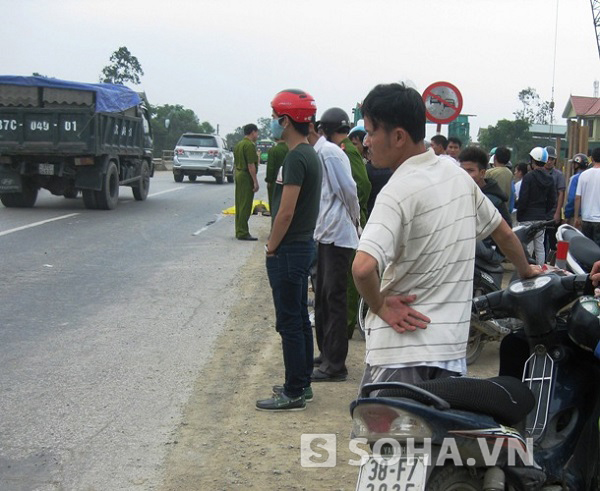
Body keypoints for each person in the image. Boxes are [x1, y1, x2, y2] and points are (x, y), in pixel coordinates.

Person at [352, 83, 540, 387]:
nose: (367, 142)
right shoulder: (457, 175)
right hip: (451, 356)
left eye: (371, 132)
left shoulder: (396, 192)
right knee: (441, 435)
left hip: (398, 357)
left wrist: (380, 306)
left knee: (388, 437)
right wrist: (526, 269)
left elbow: (362, 269)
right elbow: (504, 233)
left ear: (398, 136)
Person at [256, 89, 322, 412]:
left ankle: (293, 390)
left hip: (290, 248)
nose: (271, 123)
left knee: (289, 322)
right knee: (299, 317)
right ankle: (303, 383)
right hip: (303, 245)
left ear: (285, 121)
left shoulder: (296, 157)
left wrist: (271, 246)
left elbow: (286, 211)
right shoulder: (310, 153)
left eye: (273, 118)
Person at [307, 118, 360, 382]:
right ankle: (326, 354)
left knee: (334, 299)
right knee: (323, 299)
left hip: (338, 234)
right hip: (326, 232)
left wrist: (355, 219)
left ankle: (335, 364)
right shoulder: (320, 152)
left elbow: (349, 190)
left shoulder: (330, 153)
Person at [319, 107, 371, 338]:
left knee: (345, 284)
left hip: (347, 224)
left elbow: (360, 185)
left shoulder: (344, 151)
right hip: (343, 222)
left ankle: (347, 325)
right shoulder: (341, 150)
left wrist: (354, 215)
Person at [516, 147, 556, 265]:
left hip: (527, 217)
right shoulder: (550, 178)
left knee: (527, 246)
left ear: (533, 161)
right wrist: (544, 212)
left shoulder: (528, 177)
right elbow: (552, 200)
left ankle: (526, 268)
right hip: (541, 217)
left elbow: (523, 198)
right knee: (540, 246)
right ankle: (540, 270)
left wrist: (520, 215)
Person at [459, 147, 512, 226]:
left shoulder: (494, 202)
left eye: (470, 170)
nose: (465, 174)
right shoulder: (459, 195)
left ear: (482, 173)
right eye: (462, 170)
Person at [234, 124, 260, 240]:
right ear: (253, 132)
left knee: (239, 203)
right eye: (257, 133)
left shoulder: (239, 144)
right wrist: (255, 181)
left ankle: (239, 229)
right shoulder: (249, 145)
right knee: (246, 204)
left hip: (239, 174)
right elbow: (251, 165)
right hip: (246, 175)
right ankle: (243, 232)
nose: (257, 135)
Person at [575, 147, 600, 246]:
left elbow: (577, 197)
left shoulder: (583, 175)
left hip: (586, 219)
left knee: (587, 248)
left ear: (592, 159)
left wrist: (577, 217)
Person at [544, 145, 566, 256]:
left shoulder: (559, 175)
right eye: (547, 158)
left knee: (553, 243)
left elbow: (561, 194)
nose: (549, 162)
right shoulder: (538, 173)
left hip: (553, 213)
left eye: (552, 159)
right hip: (540, 213)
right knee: (540, 244)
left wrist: (558, 213)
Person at [564, 153, 589, 225]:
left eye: (574, 164)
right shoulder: (590, 176)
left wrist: (567, 214)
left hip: (576, 217)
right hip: (589, 217)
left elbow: (572, 198)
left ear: (577, 165)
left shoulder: (575, 178)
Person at [265, 137, 288, 211]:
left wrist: (269, 180)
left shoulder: (273, 150)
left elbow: (270, 167)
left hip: (275, 181)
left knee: (274, 203)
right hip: (288, 181)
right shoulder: (290, 149)